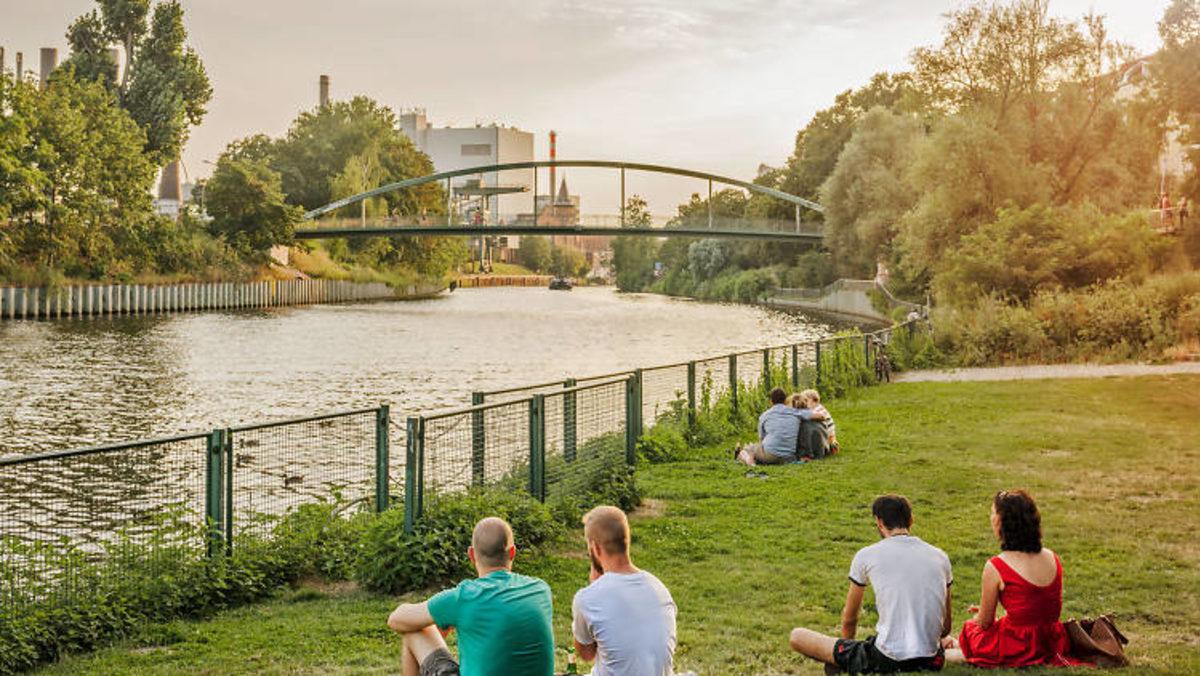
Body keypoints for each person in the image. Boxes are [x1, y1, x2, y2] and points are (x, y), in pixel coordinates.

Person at [790, 495, 953, 673]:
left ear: (879, 521)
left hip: (887, 659)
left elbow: (849, 619)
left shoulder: (867, 555)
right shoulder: (940, 557)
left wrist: (846, 652)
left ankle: (839, 663)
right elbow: (945, 628)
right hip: (932, 659)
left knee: (797, 636)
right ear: (911, 520)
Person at [386, 517, 555, 676]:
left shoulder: (464, 598)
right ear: (512, 552)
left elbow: (396, 620)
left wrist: (441, 616)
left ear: (471, 555)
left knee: (415, 631)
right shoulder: (540, 589)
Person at [943, 490, 1087, 668]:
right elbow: (1034, 607)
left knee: (971, 630)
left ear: (1000, 522)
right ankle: (950, 644)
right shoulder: (1052, 557)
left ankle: (942, 650)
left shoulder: (996, 566)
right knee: (973, 635)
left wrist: (979, 616)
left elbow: (985, 623)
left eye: (992, 513)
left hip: (1018, 644)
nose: (990, 517)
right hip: (1052, 640)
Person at [572, 505, 677, 676]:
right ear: (626, 540)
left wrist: (594, 586)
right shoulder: (659, 588)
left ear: (595, 548)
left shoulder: (588, 599)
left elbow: (586, 654)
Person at [735, 387, 825, 466]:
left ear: (770, 401)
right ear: (785, 400)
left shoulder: (764, 416)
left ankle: (749, 460)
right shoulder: (795, 412)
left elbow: (761, 440)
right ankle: (751, 457)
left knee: (750, 448)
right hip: (789, 457)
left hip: (770, 456)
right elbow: (821, 416)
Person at [799, 389, 838, 456]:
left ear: (814, 400)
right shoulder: (817, 408)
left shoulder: (818, 410)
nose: (804, 403)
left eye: (806, 400)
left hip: (829, 441)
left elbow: (819, 417)